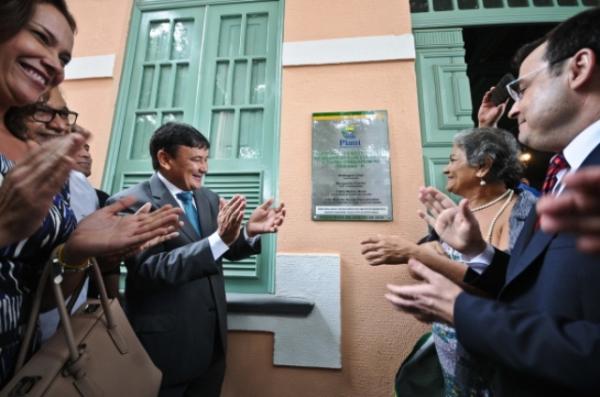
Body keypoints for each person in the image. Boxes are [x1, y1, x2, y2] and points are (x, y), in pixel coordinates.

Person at [385, 8, 600, 396]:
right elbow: (530, 289)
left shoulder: (537, 197)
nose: (515, 107)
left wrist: (462, 310)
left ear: (579, 67)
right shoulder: (564, 173)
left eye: (524, 88)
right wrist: (479, 253)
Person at [0, 0, 183, 386]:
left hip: (21, 366)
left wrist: (77, 252)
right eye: (41, 38)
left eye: (63, 56)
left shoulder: (36, 158)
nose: (54, 63)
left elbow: (41, 299)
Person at [109, 122, 286, 397]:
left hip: (212, 344)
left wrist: (249, 232)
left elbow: (222, 250)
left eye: (206, 159)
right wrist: (219, 240)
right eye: (196, 159)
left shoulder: (208, 198)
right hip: (165, 347)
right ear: (165, 158)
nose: (205, 168)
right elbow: (149, 270)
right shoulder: (130, 202)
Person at [362, 127, 536, 396]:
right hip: (452, 355)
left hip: (494, 359)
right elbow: (431, 263)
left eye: (453, 159)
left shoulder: (522, 211)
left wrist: (417, 253)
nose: (445, 169)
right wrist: (424, 254)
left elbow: (502, 289)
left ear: (483, 166)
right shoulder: (460, 210)